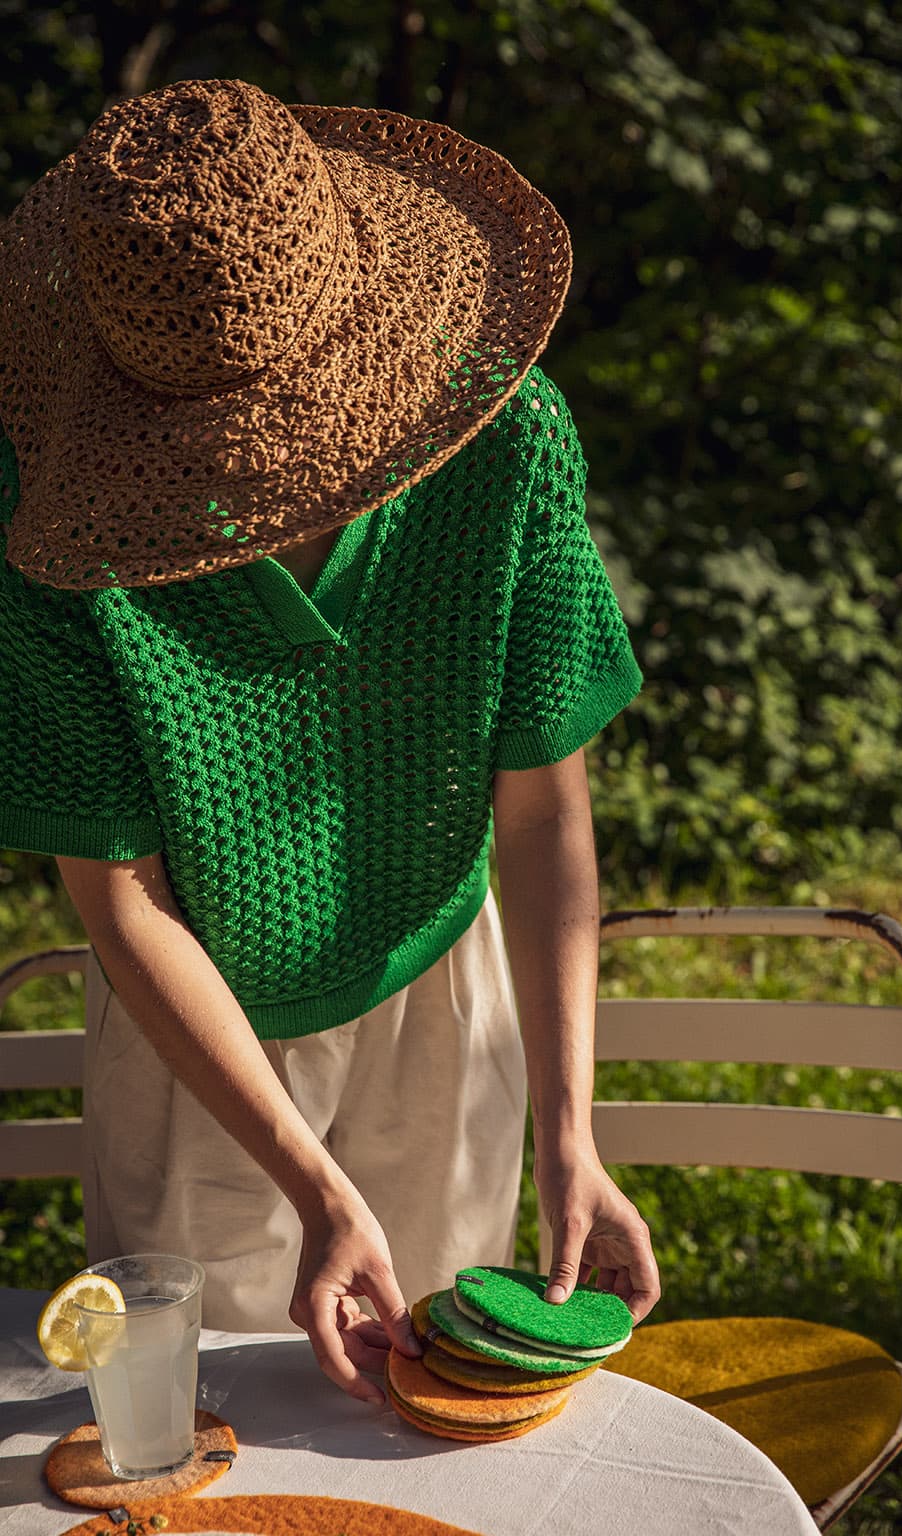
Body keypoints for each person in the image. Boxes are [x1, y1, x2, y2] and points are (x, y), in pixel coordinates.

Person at [0, 77, 659, 1403]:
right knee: (208, 1428)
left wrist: (573, 1136)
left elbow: (543, 818)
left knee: (428, 1418)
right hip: (197, 1038)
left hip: (446, 989)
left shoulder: (503, 437)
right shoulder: (52, 521)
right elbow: (120, 905)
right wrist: (313, 1186)